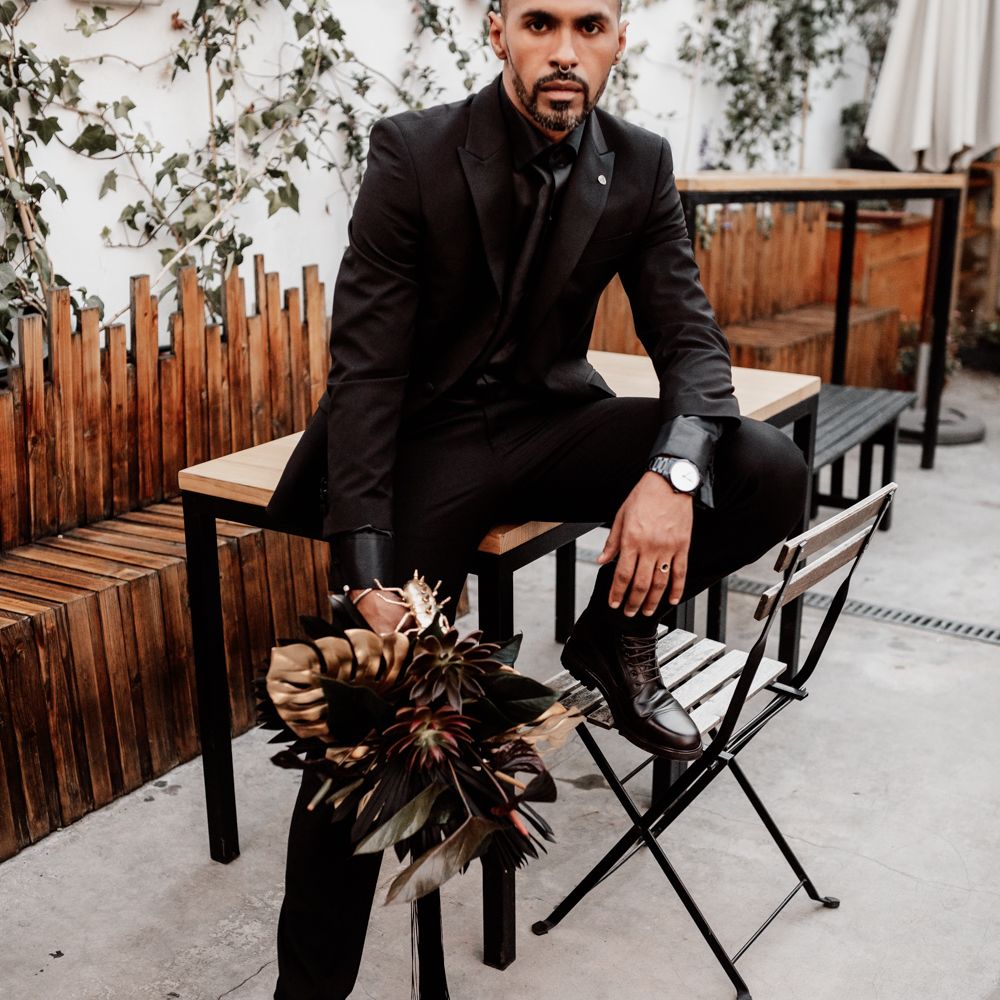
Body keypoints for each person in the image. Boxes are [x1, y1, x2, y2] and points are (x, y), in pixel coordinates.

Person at [267, 1, 808, 995]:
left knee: (767, 466)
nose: (564, 50)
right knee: (360, 715)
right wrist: (367, 573)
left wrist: (673, 474)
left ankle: (609, 634)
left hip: (553, 421)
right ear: (498, 31)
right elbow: (367, 371)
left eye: (589, 26)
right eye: (540, 22)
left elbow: (689, 340)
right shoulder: (414, 151)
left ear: (619, 39)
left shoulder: (638, 162)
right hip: (428, 440)